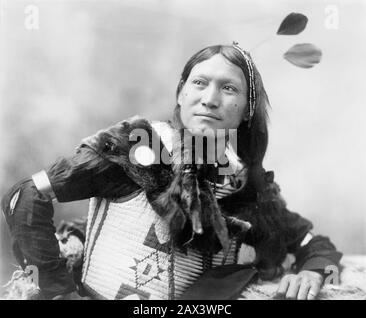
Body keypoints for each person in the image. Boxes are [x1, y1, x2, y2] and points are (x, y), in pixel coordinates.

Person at [1, 43, 342, 300]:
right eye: (199, 83)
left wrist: (315, 273)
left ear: (246, 112)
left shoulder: (244, 184)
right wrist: (60, 291)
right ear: (180, 94)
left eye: (229, 88)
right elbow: (24, 195)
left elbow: (316, 245)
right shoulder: (136, 145)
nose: (210, 99)